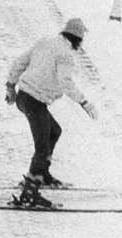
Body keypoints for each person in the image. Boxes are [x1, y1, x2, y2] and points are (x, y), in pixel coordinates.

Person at [5, 16, 98, 206]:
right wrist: (84, 102)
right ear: (78, 39)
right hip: (35, 101)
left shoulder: (45, 42)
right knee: (42, 147)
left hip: (24, 97)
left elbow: (20, 62)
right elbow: (66, 83)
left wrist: (10, 86)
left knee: (54, 131)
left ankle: (43, 174)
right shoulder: (66, 55)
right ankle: (29, 192)